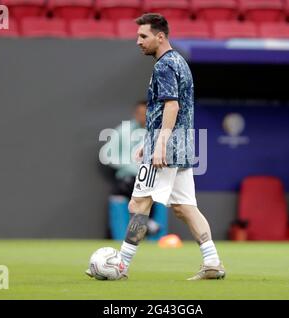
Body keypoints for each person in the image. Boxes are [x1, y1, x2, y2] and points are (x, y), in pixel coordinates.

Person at [88, 13, 225, 280]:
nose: (138, 42)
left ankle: (121, 265)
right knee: (185, 207)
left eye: (143, 36)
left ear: (160, 36)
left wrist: (158, 144)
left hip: (166, 147)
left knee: (138, 205)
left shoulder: (163, 65)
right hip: (183, 145)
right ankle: (212, 262)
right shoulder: (180, 62)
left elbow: (171, 106)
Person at [103, 101, 166, 240]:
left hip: (153, 179)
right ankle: (122, 240)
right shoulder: (123, 130)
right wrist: (128, 166)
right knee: (118, 195)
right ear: (134, 114)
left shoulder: (159, 131)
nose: (142, 117)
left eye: (146, 114)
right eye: (139, 113)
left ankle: (155, 236)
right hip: (127, 180)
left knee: (162, 198)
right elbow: (106, 154)